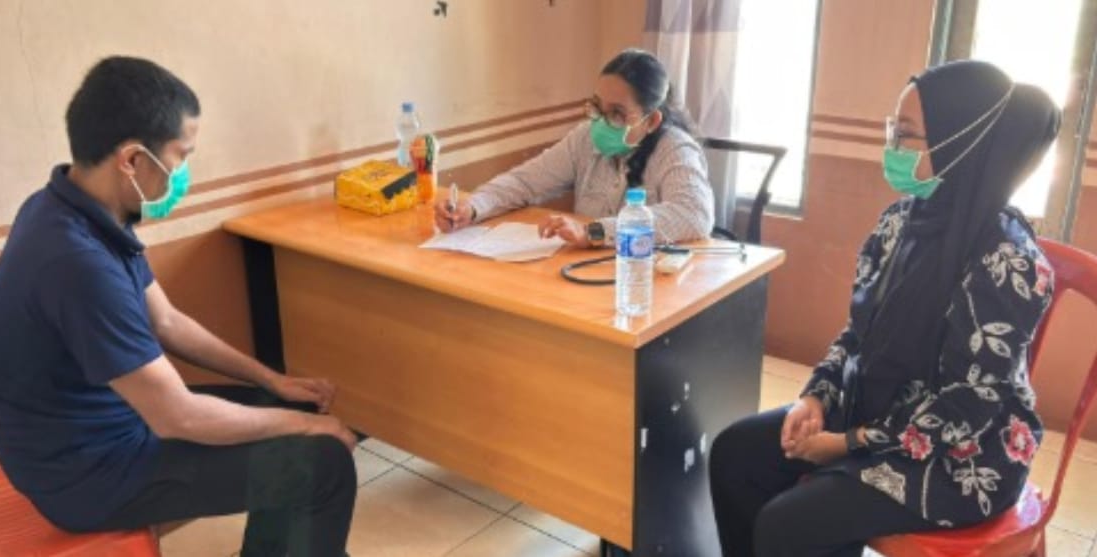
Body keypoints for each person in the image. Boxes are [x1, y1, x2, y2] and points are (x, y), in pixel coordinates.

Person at [0, 56, 357, 557]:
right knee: (323, 464)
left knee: (290, 409)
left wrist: (273, 380)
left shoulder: (72, 209)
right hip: (87, 477)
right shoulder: (76, 262)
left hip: (107, 428)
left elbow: (168, 321)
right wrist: (309, 428)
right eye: (181, 156)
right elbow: (180, 418)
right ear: (132, 160)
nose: (183, 174)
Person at [708, 60, 1060, 557]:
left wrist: (847, 443)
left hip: (963, 455)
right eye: (893, 129)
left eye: (908, 134)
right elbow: (857, 334)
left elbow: (968, 405)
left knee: (789, 524)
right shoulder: (900, 223)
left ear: (959, 142)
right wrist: (816, 399)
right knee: (735, 456)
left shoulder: (1008, 262)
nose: (893, 147)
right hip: (873, 409)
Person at [435, 48, 715, 248]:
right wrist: (472, 207)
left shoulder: (675, 148)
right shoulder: (585, 138)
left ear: (651, 120)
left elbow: (693, 214)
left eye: (617, 113)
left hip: (643, 282)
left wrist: (594, 231)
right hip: (584, 273)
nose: (602, 122)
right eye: (598, 107)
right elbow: (525, 182)